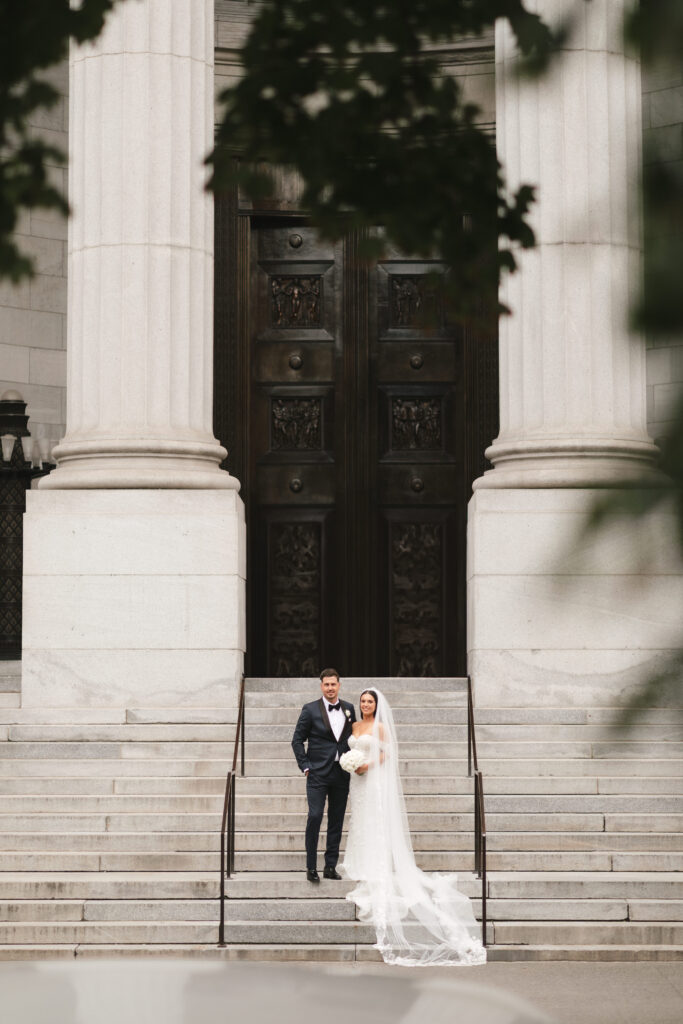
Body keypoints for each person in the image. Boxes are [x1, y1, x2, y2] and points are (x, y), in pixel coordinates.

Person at [342, 687, 486, 966]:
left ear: (376, 704)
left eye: (370, 701)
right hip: (356, 783)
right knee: (359, 821)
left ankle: (376, 862)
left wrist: (365, 765)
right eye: (363, 701)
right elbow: (350, 748)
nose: (366, 704)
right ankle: (359, 860)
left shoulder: (381, 727)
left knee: (375, 822)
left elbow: (386, 755)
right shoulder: (355, 725)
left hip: (371, 779)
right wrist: (350, 765)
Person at [291, 668, 356, 883]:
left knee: (336, 820)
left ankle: (330, 866)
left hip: (341, 773)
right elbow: (297, 740)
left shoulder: (349, 709)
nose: (330, 688)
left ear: (339, 685)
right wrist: (306, 766)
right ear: (321, 686)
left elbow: (352, 738)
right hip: (317, 773)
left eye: (333, 684)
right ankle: (311, 866)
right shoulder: (310, 710)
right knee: (316, 816)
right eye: (326, 684)